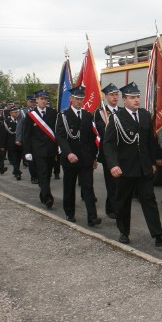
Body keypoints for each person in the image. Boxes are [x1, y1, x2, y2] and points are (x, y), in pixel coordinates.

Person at [103, 81, 162, 247]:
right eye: (132, 97)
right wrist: (113, 164)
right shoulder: (116, 118)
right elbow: (108, 144)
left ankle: (159, 235)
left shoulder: (144, 115)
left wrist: (153, 160)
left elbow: (149, 140)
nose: (136, 100)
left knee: (149, 201)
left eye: (137, 97)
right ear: (124, 100)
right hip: (125, 168)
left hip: (143, 167)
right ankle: (124, 232)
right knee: (123, 201)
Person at [55, 86, 101, 226]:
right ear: (71, 99)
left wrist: (94, 158)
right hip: (70, 158)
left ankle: (92, 217)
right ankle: (69, 213)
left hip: (85, 158)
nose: (79, 101)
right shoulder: (63, 116)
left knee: (88, 187)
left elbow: (91, 138)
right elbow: (61, 137)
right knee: (69, 186)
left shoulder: (87, 115)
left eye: (81, 99)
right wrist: (68, 153)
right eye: (77, 99)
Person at [23, 90, 58, 208]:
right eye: (41, 99)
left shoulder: (53, 113)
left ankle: (43, 194)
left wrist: (59, 147)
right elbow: (26, 135)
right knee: (42, 173)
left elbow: (57, 131)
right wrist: (27, 151)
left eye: (45, 99)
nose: (43, 101)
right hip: (38, 150)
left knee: (48, 174)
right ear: (36, 100)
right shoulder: (31, 115)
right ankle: (48, 197)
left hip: (51, 149)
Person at [94, 83, 120, 219]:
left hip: (122, 153)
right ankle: (115, 210)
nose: (115, 97)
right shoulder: (100, 113)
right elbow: (100, 133)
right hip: (108, 154)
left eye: (116, 94)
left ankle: (111, 206)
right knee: (112, 183)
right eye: (112, 95)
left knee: (119, 183)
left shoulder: (121, 111)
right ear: (105, 96)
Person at [16, 95, 38, 184]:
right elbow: (19, 126)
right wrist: (18, 138)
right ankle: (34, 176)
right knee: (31, 159)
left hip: (39, 139)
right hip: (28, 139)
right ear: (28, 102)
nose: (33, 103)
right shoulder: (23, 112)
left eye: (34, 102)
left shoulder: (39, 111)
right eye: (31, 102)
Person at [1, 106, 23, 180]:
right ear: (10, 113)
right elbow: (4, 135)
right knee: (14, 158)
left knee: (19, 158)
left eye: (17, 112)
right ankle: (17, 172)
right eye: (15, 112)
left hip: (20, 143)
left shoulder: (21, 120)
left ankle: (16, 170)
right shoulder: (6, 122)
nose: (16, 113)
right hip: (11, 143)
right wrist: (3, 146)